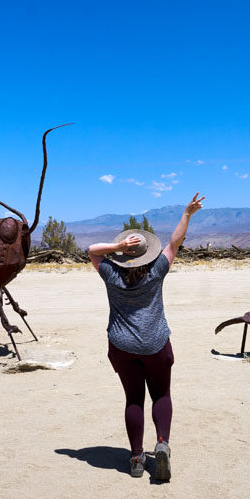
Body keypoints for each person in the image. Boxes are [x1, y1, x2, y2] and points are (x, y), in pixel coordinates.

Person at [88, 192, 205, 480]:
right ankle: (162, 444)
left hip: (121, 346)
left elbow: (92, 250)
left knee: (134, 400)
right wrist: (187, 214)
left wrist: (117, 246)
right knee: (161, 394)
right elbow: (175, 242)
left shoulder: (111, 275)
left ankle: (137, 457)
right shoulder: (157, 271)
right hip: (155, 343)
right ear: (148, 255)